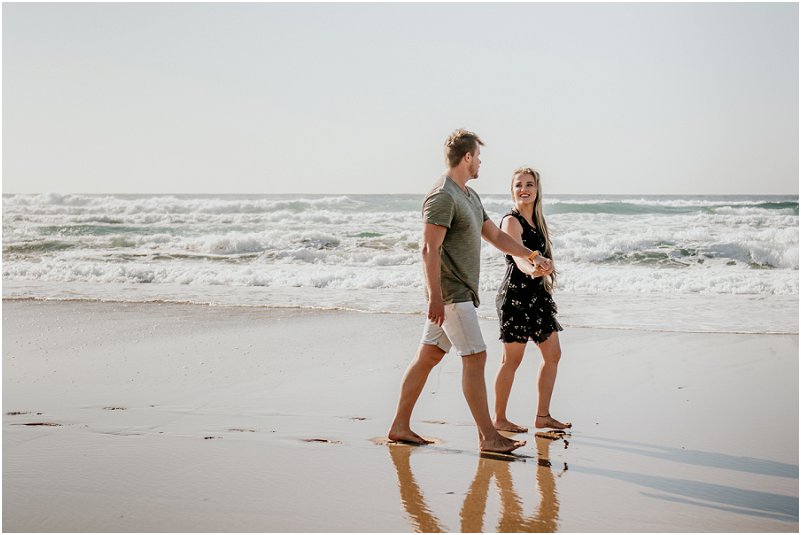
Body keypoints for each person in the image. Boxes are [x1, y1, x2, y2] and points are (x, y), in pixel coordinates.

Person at [387, 130, 552, 453]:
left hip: (456, 294)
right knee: (476, 357)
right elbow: (428, 249)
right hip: (451, 294)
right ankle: (488, 437)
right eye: (478, 156)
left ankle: (399, 426)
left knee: (429, 356)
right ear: (466, 158)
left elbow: (493, 235)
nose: (480, 163)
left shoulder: (469, 196)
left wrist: (530, 254)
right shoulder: (442, 195)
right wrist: (435, 297)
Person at [493, 167, 570, 433]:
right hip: (515, 296)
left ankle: (543, 416)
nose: (524, 189)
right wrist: (534, 269)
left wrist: (542, 272)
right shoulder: (511, 221)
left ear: (537, 190)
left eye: (529, 184)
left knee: (553, 354)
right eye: (518, 185)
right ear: (511, 190)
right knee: (512, 361)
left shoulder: (539, 221)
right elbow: (518, 259)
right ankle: (500, 419)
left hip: (538, 297)